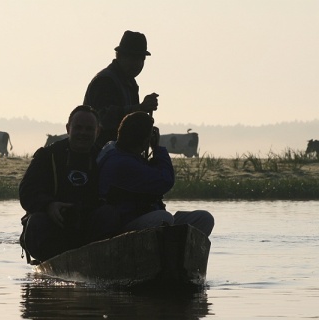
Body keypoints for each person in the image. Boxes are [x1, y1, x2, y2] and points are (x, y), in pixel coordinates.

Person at [91, 111, 214, 241]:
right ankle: (164, 255)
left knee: (204, 218)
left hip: (144, 215)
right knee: (163, 218)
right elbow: (165, 181)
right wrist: (158, 149)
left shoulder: (120, 151)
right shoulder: (121, 162)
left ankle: (181, 254)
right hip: (126, 222)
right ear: (144, 141)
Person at [19, 105, 101, 264]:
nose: (83, 133)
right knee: (36, 221)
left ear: (98, 131)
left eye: (89, 129)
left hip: (89, 226)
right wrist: (49, 205)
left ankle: (100, 261)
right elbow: (26, 192)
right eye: (78, 128)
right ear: (68, 128)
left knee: (108, 215)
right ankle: (49, 262)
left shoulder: (105, 157)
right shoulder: (47, 155)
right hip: (53, 224)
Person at [84, 30, 159, 149]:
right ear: (119, 56)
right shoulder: (105, 81)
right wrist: (140, 109)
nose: (138, 64)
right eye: (133, 58)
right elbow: (103, 118)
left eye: (141, 59)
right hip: (101, 154)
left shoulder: (129, 83)